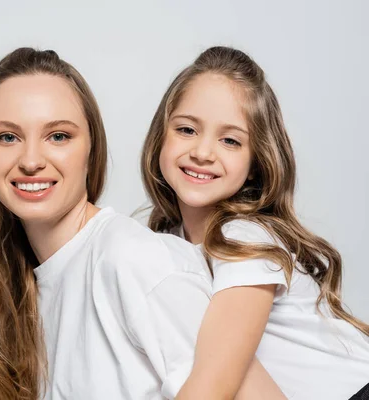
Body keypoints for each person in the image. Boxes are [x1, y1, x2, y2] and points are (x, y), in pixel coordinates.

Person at [0, 47, 280, 400]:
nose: (31, 159)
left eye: (59, 136)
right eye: (8, 136)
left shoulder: (133, 261)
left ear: (91, 150)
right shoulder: (31, 287)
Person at [140, 45, 369, 399]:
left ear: (255, 163)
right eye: (186, 130)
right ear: (161, 137)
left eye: (230, 140)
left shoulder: (243, 240)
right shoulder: (169, 240)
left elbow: (213, 386)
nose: (202, 152)